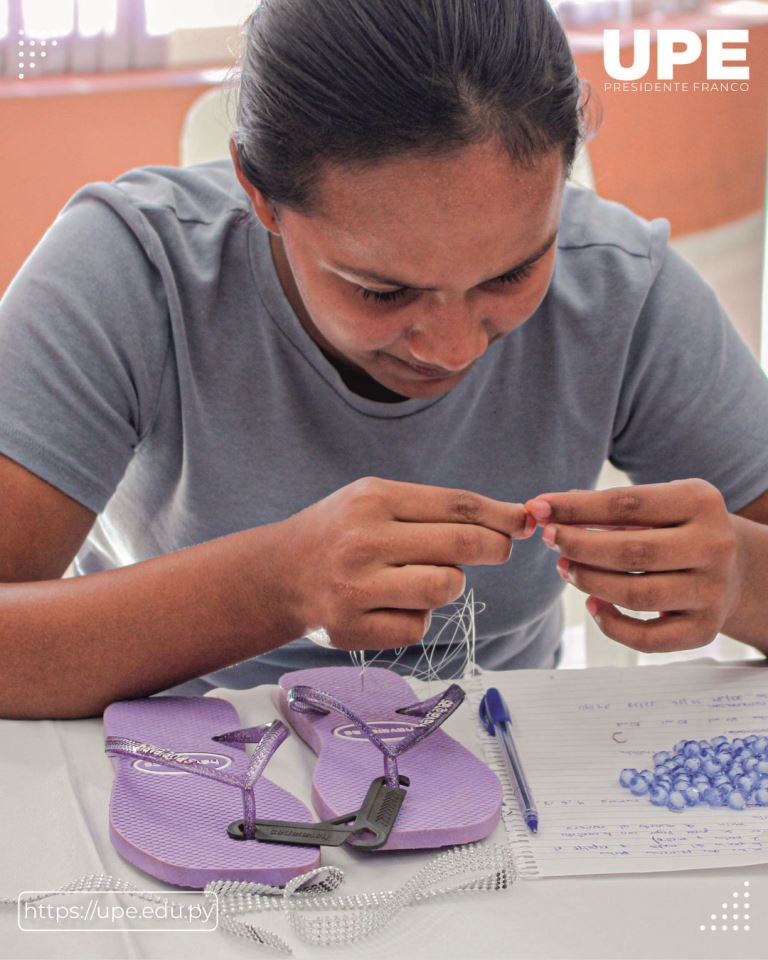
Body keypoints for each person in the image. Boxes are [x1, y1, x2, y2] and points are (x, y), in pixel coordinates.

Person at [1, 0, 767, 721]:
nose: (453, 348)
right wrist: (274, 585)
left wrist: (739, 576)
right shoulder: (133, 270)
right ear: (260, 196)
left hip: (502, 768)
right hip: (170, 766)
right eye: (382, 291)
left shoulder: (621, 288)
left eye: (510, 274)